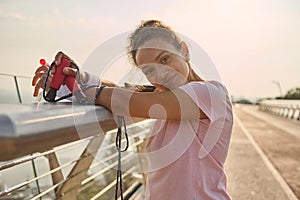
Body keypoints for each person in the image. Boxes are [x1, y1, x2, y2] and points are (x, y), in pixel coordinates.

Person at [32, 19, 233, 200]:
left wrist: (81, 90)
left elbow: (129, 101)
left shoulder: (210, 93)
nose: (161, 74)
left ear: (184, 51)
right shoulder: (164, 101)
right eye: (149, 70)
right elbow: (124, 92)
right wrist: (77, 78)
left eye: (165, 59)